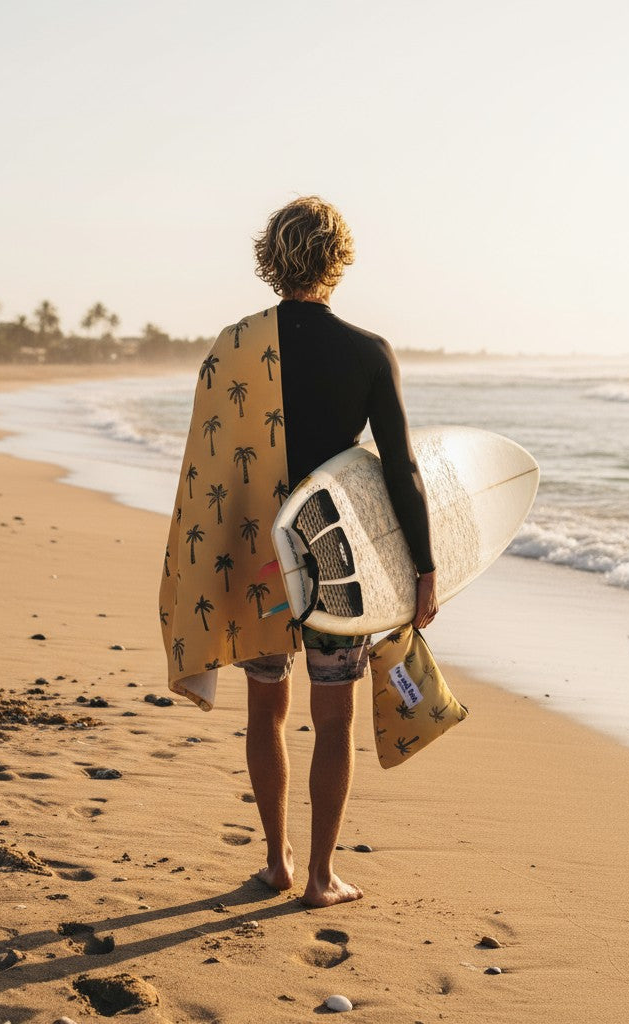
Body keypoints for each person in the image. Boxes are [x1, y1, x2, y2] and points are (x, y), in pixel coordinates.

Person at [160, 196, 436, 908]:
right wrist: (424, 569)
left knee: (266, 712)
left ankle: (276, 863)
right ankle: (319, 877)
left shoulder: (234, 346)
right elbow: (401, 469)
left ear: (272, 258)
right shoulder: (369, 352)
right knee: (334, 718)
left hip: (258, 564)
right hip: (334, 565)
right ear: (337, 258)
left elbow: (208, 464)